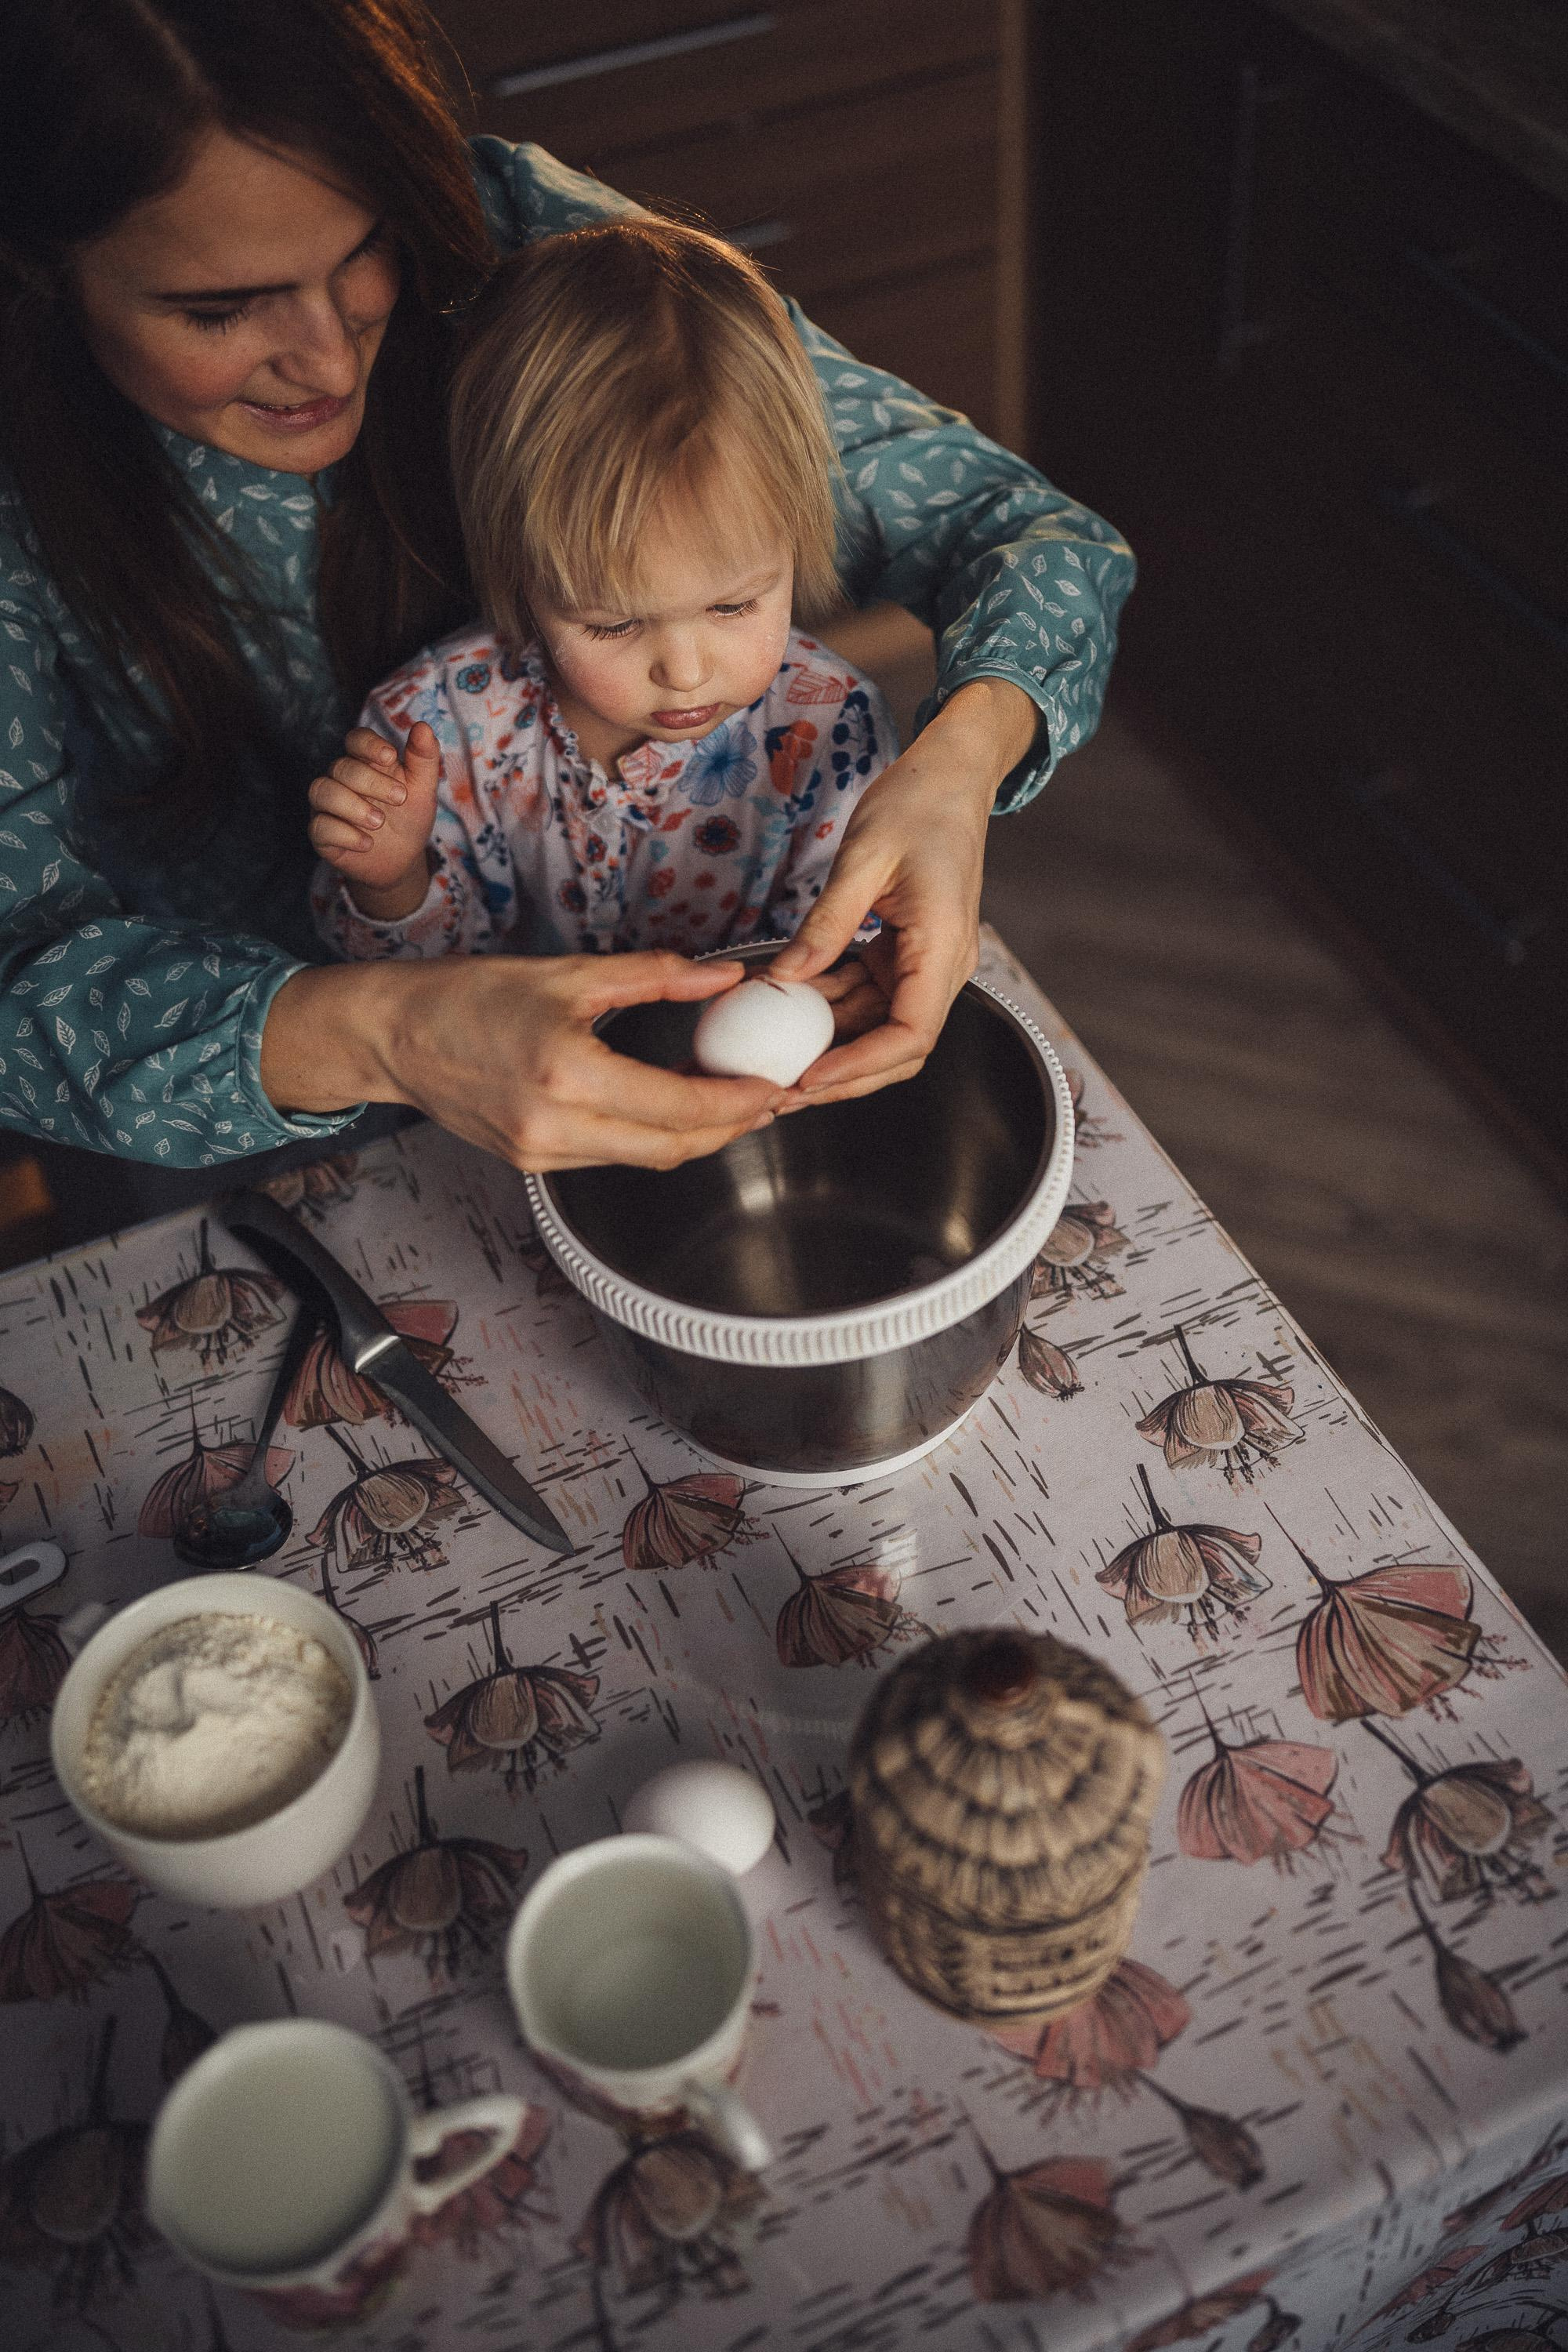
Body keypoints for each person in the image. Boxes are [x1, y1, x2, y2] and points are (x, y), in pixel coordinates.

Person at [0, 0, 1134, 1214]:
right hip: (219, 1121)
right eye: (221, 309)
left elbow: (1028, 535)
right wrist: (382, 1025)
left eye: (366, 251)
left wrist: (960, 765)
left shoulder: (554, 267)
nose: (328, 359)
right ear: (38, 271)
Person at [308, 220, 893, 996]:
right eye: (613, 624)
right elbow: (411, 999)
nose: (684, 672)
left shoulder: (831, 726)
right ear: (519, 573)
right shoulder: (433, 728)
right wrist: (391, 882)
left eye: (732, 606)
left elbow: (845, 952)